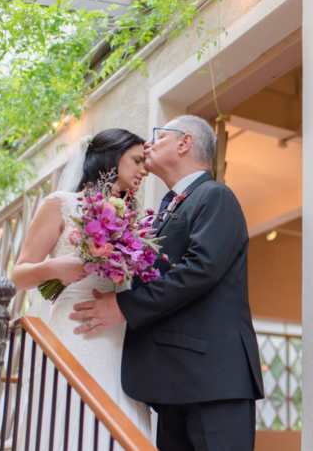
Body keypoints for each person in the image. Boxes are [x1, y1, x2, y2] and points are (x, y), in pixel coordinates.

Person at [69, 115, 265, 451]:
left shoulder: (215, 196)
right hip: (172, 382)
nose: (147, 145)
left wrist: (123, 307)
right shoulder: (166, 209)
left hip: (213, 381)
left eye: (157, 137)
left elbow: (199, 269)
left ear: (184, 142)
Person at [11, 128, 154, 449]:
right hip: (71, 331)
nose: (143, 170)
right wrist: (55, 268)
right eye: (137, 160)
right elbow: (19, 275)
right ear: (112, 157)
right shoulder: (61, 204)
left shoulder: (131, 221)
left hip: (118, 338)